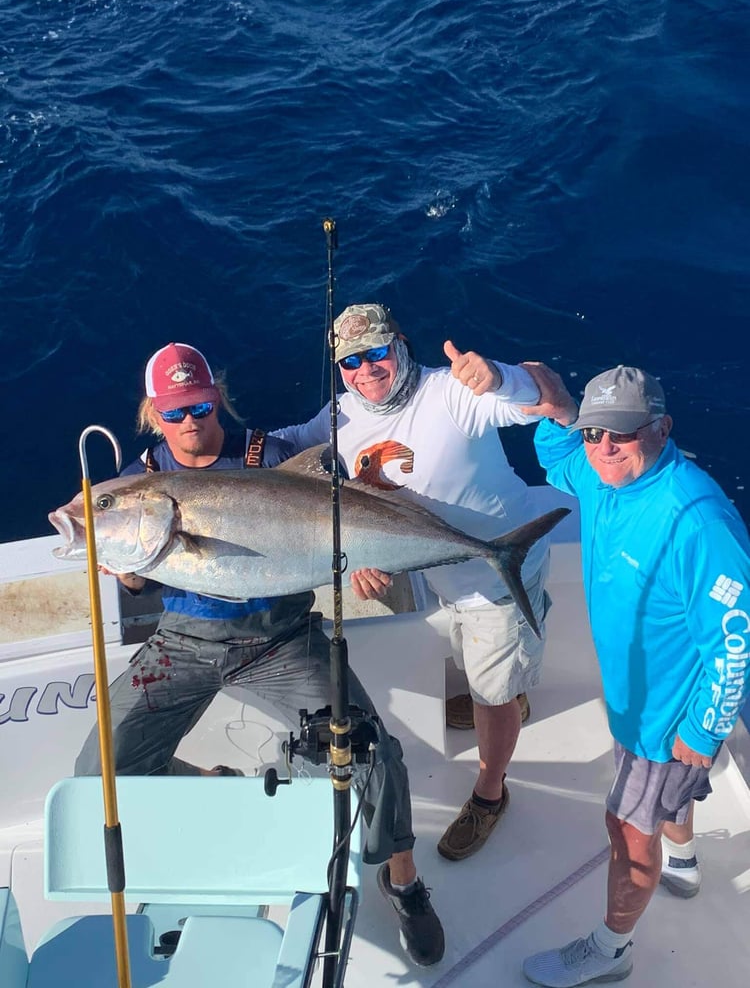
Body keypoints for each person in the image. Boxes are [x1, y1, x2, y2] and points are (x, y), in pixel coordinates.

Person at [74, 341, 445, 968]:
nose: (189, 421)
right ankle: (209, 788)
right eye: (173, 412)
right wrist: (120, 563)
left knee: (373, 751)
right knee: (99, 775)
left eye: (197, 405)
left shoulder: (268, 455)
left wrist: (364, 558)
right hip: (183, 643)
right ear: (152, 414)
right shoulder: (141, 480)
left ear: (215, 396)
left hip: (281, 637)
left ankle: (403, 879)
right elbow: (138, 574)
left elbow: (347, 520)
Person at [272, 304, 553, 862]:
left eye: (377, 352)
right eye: (351, 361)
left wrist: (506, 378)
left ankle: (491, 791)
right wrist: (197, 456)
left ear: (400, 344)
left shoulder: (451, 393)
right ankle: (501, 698)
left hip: (499, 573)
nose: (366, 369)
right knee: (474, 666)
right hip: (439, 572)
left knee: (492, 693)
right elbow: (284, 448)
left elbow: (548, 399)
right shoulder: (340, 415)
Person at [519, 362, 750, 987]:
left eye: (620, 433)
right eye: (595, 433)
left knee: (626, 830)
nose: (603, 448)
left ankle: (611, 949)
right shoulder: (602, 477)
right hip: (632, 701)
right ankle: (684, 860)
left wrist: (703, 732)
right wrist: (561, 410)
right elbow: (555, 458)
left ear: (662, 427)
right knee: (669, 804)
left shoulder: (697, 521)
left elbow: (736, 639)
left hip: (666, 717)